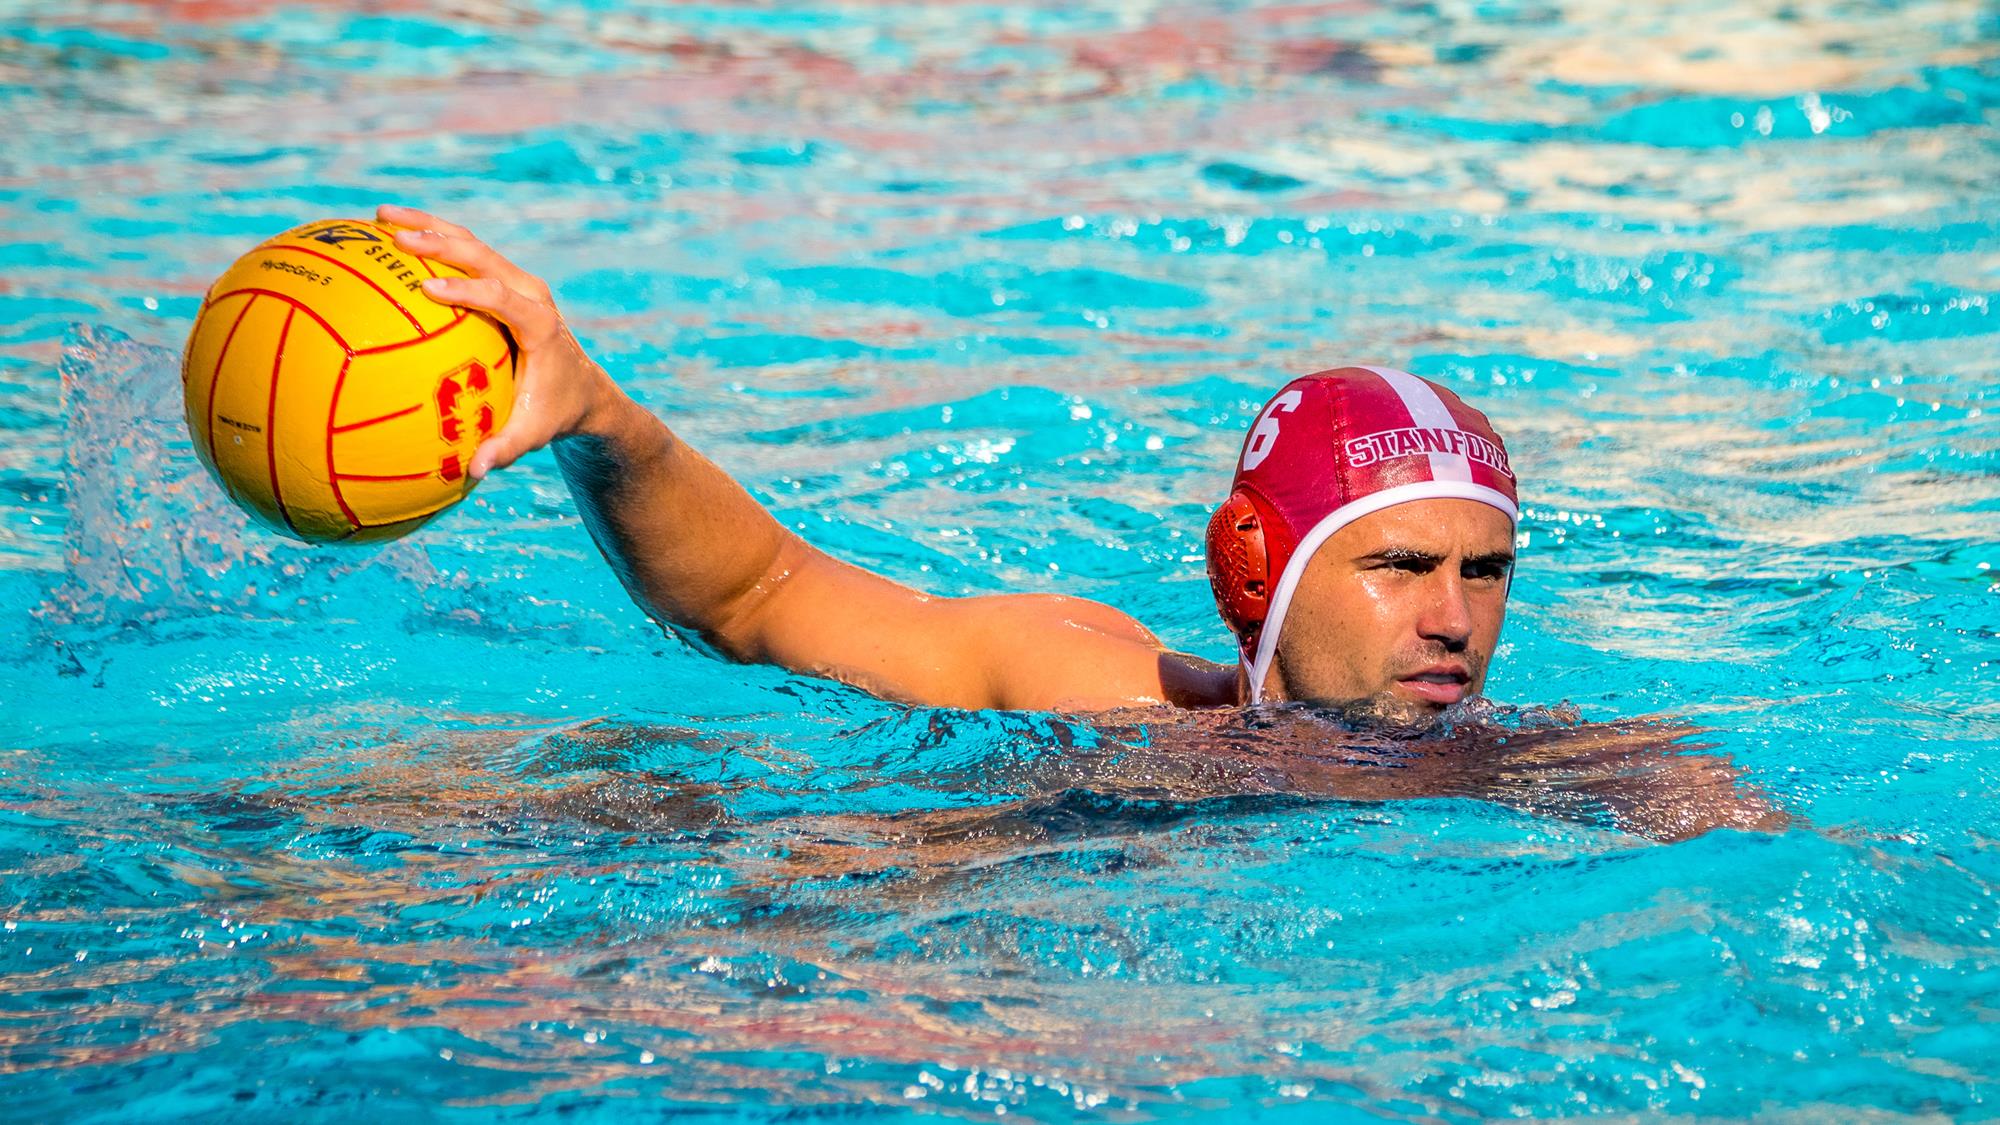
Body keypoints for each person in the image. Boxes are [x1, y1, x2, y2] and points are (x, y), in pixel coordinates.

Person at [378, 205, 1519, 722]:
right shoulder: (1074, 683)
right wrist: (597, 416)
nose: (1451, 619)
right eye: (1402, 562)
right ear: (1253, 570)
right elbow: (753, 592)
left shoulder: (1574, 781)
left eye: (1484, 570)